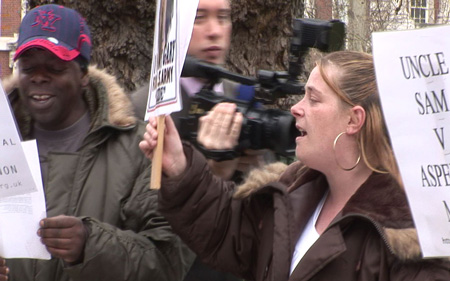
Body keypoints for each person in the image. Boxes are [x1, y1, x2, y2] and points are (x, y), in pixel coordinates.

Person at [139, 50, 450, 281]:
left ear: (354, 120)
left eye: (313, 100)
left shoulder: (411, 233)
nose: (295, 109)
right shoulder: (292, 188)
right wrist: (180, 166)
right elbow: (226, 231)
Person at [0, 4, 194, 281]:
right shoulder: (4, 142)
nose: (39, 77)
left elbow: (168, 260)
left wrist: (91, 245)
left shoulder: (140, 148)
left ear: (83, 76)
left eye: (54, 67)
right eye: (28, 68)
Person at [131, 0, 272, 183]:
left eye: (222, 17)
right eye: (198, 18)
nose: (215, 31)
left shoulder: (245, 99)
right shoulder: (143, 109)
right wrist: (214, 172)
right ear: (173, 26)